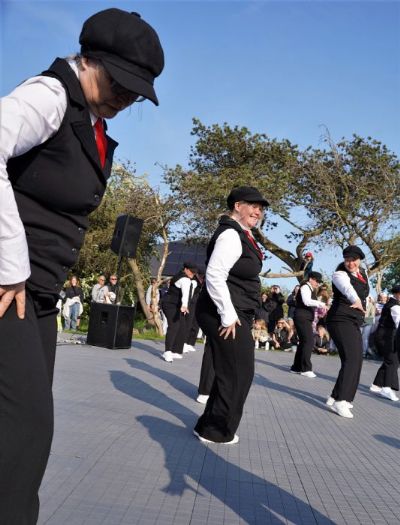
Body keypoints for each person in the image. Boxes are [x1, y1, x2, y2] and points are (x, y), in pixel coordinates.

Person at [0, 8, 164, 524]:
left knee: (21, 430)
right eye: (120, 81)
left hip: (38, 297)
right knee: (26, 428)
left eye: (137, 91)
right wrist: (10, 265)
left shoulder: (91, 122)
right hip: (9, 287)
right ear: (88, 59)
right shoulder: (50, 95)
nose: (127, 97)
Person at [193, 186, 268, 444]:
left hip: (235, 311)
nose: (258, 211)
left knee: (230, 371)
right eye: (253, 206)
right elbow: (215, 275)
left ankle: (207, 424)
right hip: (224, 313)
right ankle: (215, 431)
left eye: (261, 208)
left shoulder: (243, 234)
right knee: (239, 373)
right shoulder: (230, 234)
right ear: (238, 206)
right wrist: (227, 315)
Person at [326, 246, 369, 419]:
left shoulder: (363, 274)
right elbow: (347, 289)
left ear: (359, 260)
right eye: (347, 260)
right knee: (352, 358)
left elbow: (365, 294)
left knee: (356, 359)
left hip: (353, 320)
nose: (350, 263)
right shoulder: (339, 274)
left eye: (353, 260)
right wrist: (356, 300)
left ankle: (335, 396)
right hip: (340, 319)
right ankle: (341, 401)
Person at [161, 262, 198, 362]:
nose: (193, 274)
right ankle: (167, 351)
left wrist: (185, 306)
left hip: (177, 306)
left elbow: (189, 294)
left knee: (182, 326)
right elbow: (185, 294)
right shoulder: (184, 279)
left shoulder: (188, 279)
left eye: (194, 272)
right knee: (174, 325)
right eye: (191, 271)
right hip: (169, 304)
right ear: (185, 269)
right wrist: (185, 305)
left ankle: (175, 351)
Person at [290, 271, 325, 377]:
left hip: (304, 318)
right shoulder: (305, 287)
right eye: (317, 281)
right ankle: (306, 369)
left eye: (319, 282)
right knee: (309, 341)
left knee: (303, 342)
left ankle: (296, 367)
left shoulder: (310, 289)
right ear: (311, 279)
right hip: (302, 317)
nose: (318, 283)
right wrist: (321, 304)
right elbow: (306, 301)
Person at [369, 285, 400, 401]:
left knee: (391, 360)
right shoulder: (394, 306)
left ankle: (376, 385)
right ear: (397, 294)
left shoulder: (392, 304)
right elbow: (399, 322)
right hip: (386, 337)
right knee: (392, 361)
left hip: (386, 336)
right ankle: (386, 388)